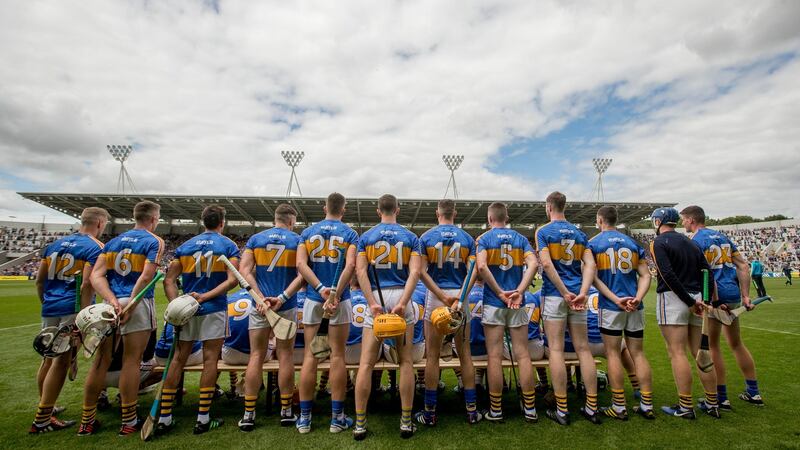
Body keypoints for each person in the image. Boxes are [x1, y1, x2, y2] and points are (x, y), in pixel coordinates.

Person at [81, 201, 164, 436]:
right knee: (131, 361)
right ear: (154, 219)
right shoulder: (153, 241)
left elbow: (96, 276)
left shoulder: (113, 242)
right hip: (136, 304)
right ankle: (128, 420)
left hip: (109, 305)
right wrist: (131, 303)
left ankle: (87, 421)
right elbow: (147, 277)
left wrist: (112, 300)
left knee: (101, 361)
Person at [158, 205, 240, 434]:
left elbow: (168, 280)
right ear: (222, 222)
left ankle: (164, 417)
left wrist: (179, 304)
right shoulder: (228, 245)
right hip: (213, 308)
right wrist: (205, 297)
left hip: (187, 311)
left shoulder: (185, 246)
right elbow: (233, 280)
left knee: (178, 359)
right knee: (210, 359)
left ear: (203, 221)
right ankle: (202, 417)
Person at [30, 207, 108, 433]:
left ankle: (46, 405)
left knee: (48, 357)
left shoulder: (53, 246)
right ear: (100, 224)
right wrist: (84, 317)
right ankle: (43, 419)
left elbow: (39, 281)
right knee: (62, 361)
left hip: (50, 306)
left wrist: (46, 302)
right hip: (72, 307)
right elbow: (86, 284)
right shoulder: (95, 247)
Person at [353, 194, 421, 440]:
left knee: (366, 364)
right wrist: (403, 303)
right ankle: (405, 421)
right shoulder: (411, 237)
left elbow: (360, 271)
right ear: (398, 210)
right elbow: (415, 272)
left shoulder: (366, 237)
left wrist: (371, 303)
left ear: (377, 210)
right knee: (405, 362)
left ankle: (360, 423)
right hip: (401, 295)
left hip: (378, 299)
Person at [681, 205, 764, 407]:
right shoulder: (722, 237)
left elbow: (705, 273)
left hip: (715, 297)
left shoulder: (695, 241)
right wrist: (745, 296)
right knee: (736, 343)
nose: (683, 223)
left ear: (691, 220)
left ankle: (721, 396)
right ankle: (754, 392)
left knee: (712, 347)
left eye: (684, 219)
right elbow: (743, 266)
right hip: (733, 293)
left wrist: (711, 299)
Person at [296, 193, 359, 434]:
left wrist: (321, 290)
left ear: (325, 208)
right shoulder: (350, 233)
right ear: (343, 209)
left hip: (313, 299)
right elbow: (350, 265)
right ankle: (337, 418)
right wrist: (334, 293)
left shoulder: (307, 232)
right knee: (337, 357)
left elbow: (301, 265)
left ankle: (304, 419)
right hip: (339, 300)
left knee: (312, 357)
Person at [238, 204, 305, 432]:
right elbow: (302, 275)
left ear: (275, 218)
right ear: (291, 220)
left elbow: (244, 271)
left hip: (259, 305)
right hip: (285, 305)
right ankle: (286, 411)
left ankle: (249, 413)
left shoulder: (256, 239)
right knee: (285, 355)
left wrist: (258, 297)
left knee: (256, 356)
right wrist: (282, 297)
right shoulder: (297, 240)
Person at [535, 192, 599, 425]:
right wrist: (582, 292)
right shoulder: (580, 233)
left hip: (555, 296)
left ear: (549, 206)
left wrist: (564, 292)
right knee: (583, 349)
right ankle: (592, 407)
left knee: (556, 350)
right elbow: (590, 264)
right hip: (578, 296)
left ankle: (562, 409)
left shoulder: (543, 231)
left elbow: (546, 263)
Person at [416, 199, 481, 426]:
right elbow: (474, 271)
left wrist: (442, 297)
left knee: (432, 356)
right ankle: (472, 410)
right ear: (455, 213)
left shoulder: (426, 237)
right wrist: (461, 297)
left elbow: (421, 272)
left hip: (437, 295)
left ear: (437, 213)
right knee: (465, 355)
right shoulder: (467, 239)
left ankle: (430, 412)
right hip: (460, 297)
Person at [649, 207, 720, 419]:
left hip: (674, 299)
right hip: (698, 299)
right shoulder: (692, 242)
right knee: (700, 352)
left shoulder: (658, 243)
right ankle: (712, 402)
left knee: (677, 352)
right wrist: (704, 301)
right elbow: (707, 272)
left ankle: (685, 406)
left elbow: (667, 274)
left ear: (658, 222)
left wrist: (689, 302)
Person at [588, 205, 654, 420]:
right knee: (638, 353)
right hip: (634, 305)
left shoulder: (593, 244)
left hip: (611, 306)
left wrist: (616, 299)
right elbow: (646, 275)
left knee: (613, 353)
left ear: (599, 220)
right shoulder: (633, 243)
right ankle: (646, 403)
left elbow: (593, 278)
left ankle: (618, 406)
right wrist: (637, 298)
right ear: (615, 220)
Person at [475, 202, 538, 423]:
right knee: (522, 354)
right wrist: (519, 291)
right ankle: (530, 409)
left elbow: (481, 267)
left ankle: (496, 410)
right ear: (507, 217)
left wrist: (500, 293)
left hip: (494, 302)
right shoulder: (520, 239)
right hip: (516, 302)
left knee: (494, 356)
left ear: (489, 218)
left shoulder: (484, 239)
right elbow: (534, 264)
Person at [222, 288, 260, 398]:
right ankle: (274, 385)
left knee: (217, 344)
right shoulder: (262, 298)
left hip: (229, 355)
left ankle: (233, 384)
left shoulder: (230, 298)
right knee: (276, 343)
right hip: (258, 356)